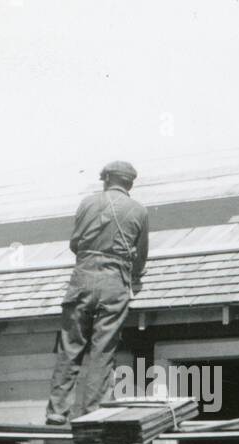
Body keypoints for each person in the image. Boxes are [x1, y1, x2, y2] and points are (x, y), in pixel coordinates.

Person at [44, 160, 150, 424]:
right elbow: (141, 256)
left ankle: (57, 412)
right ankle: (92, 412)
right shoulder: (139, 210)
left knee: (70, 347)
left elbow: (74, 243)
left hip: (82, 277)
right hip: (115, 281)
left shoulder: (87, 203)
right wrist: (134, 278)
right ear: (130, 183)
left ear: (105, 178)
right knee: (103, 350)